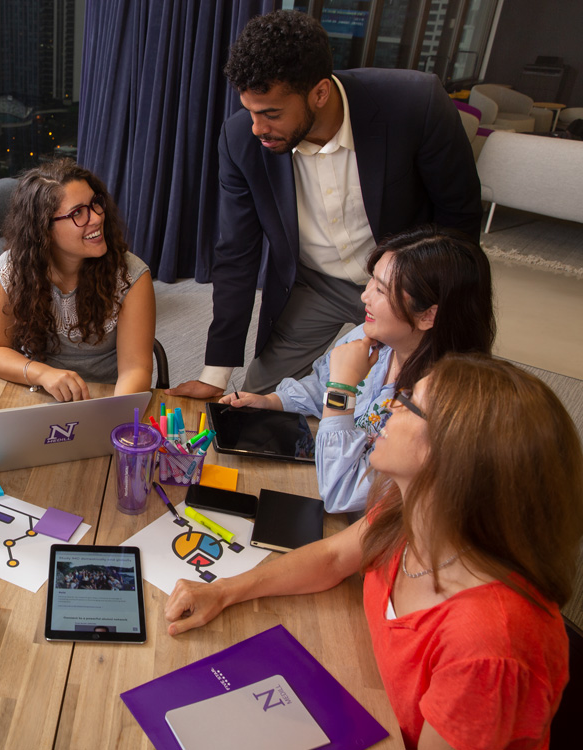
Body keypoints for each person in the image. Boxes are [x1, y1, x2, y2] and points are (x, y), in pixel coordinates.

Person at [166, 355, 583, 749]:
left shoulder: (489, 647)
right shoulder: (411, 508)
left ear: (456, 460)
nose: (386, 408)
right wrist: (224, 590)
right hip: (360, 696)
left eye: (408, 404)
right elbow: (332, 557)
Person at [168, 10, 482, 401]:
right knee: (255, 405)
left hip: (405, 285)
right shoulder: (240, 141)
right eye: (250, 111)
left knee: (425, 407)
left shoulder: (416, 104)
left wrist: (426, 304)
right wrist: (216, 371)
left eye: (271, 113)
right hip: (315, 283)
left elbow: (460, 220)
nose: (256, 128)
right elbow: (236, 254)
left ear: (319, 92)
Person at [219, 225, 494, 513]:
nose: (365, 296)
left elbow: (341, 495)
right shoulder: (375, 340)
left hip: (360, 521)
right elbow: (322, 383)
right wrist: (273, 401)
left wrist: (342, 390)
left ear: (428, 315)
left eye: (381, 290)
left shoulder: (433, 407)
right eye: (371, 282)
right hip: (330, 471)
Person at [0, 159, 156, 402]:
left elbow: (136, 370)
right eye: (78, 213)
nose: (96, 218)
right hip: (39, 392)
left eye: (95, 203)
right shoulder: (13, 268)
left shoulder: (131, 276)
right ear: (43, 229)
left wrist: (112, 415)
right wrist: (42, 374)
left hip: (107, 398)